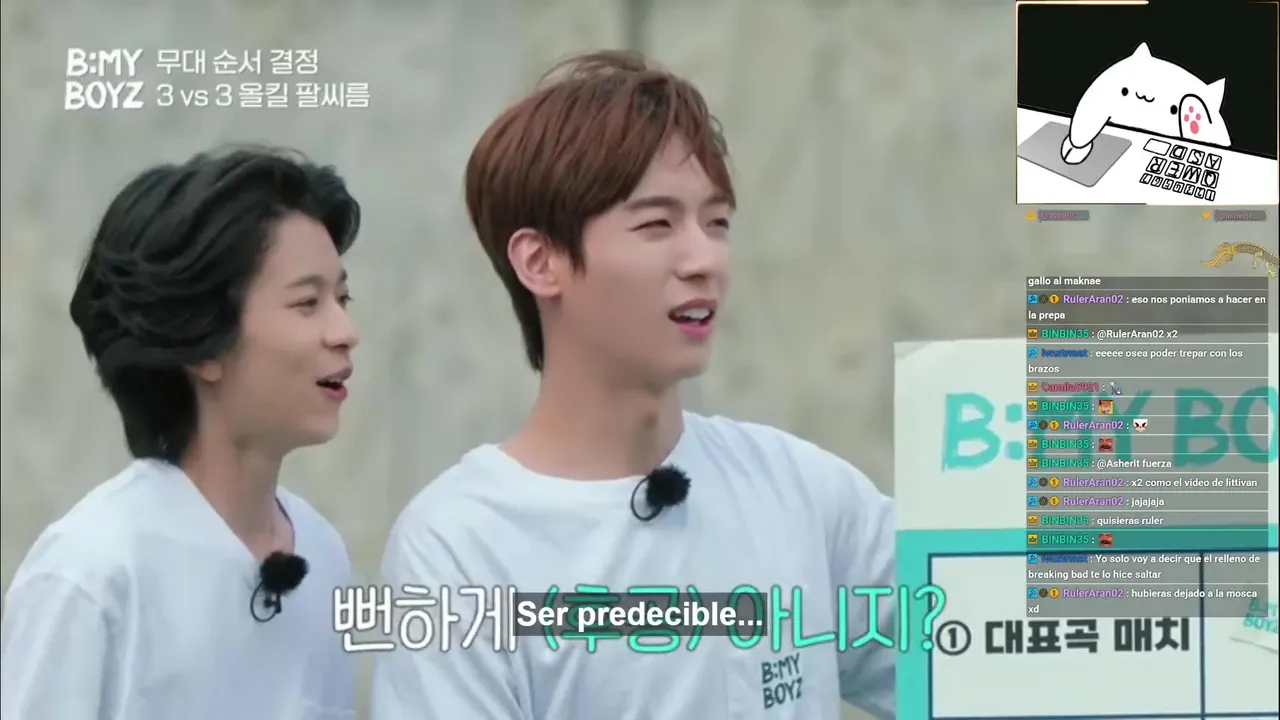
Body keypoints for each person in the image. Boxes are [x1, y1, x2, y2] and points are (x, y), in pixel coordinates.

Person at [371, 52, 895, 720]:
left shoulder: (799, 490)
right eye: (657, 225)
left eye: (717, 222)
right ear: (540, 260)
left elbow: (983, 655)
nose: (703, 260)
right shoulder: (459, 546)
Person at [1, 147, 362, 720]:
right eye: (307, 303)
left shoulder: (322, 554)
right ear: (204, 345)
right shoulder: (92, 571)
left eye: (342, 298)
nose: (345, 331)